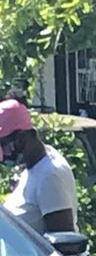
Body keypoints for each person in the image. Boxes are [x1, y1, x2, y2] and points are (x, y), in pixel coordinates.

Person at [0, 98, 78, 234]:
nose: (3, 156)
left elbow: (63, 241)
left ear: (22, 137)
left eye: (3, 145)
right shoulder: (36, 165)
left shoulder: (50, 175)